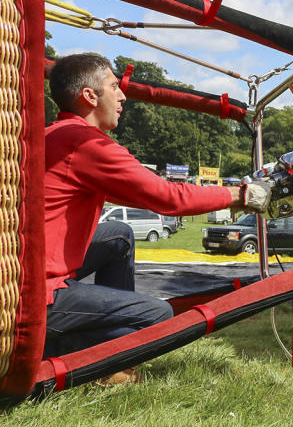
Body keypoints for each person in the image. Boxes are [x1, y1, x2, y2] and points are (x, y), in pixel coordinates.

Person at [44, 53, 270, 362]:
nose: (123, 96)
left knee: (119, 235)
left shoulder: (54, 134)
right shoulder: (87, 144)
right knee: (156, 316)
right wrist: (241, 195)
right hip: (38, 293)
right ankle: (60, 354)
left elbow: (145, 196)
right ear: (89, 96)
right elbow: (168, 198)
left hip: (29, 271)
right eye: (114, 87)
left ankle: (115, 328)